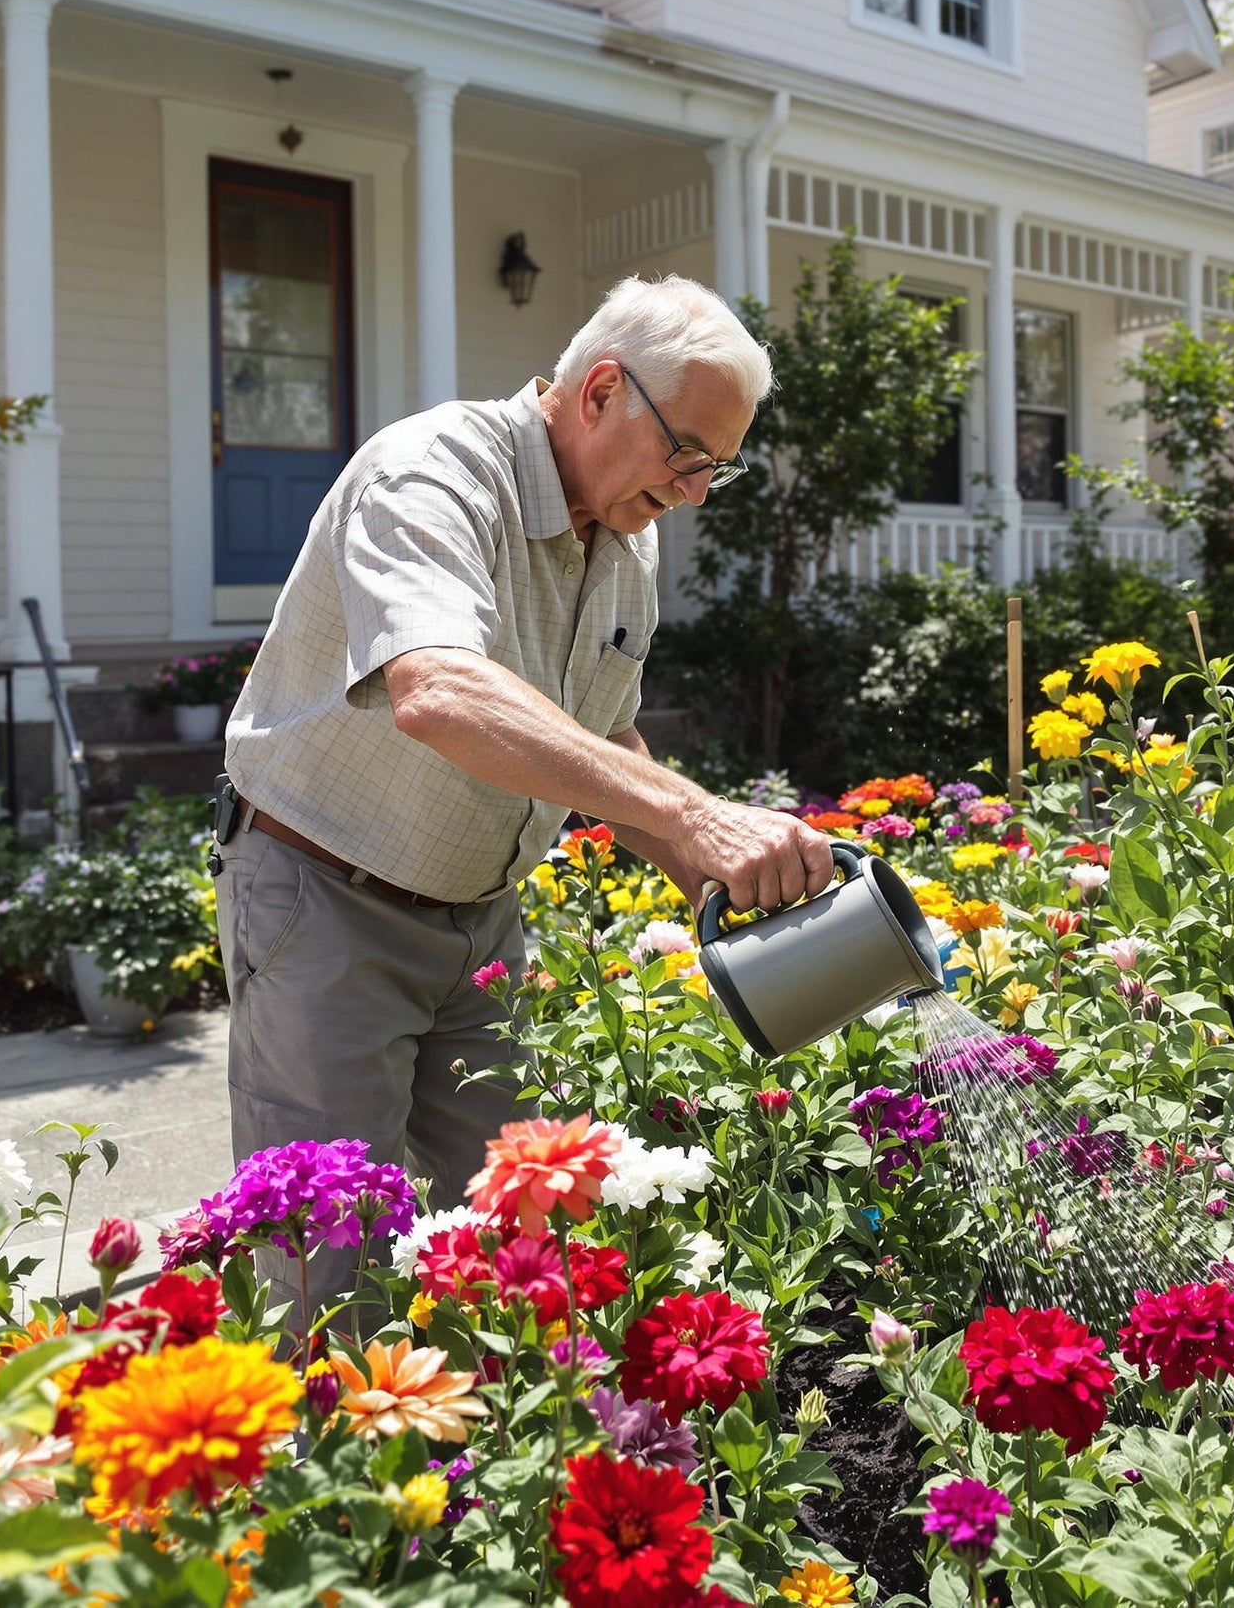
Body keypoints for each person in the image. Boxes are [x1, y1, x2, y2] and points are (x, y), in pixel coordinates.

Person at [212, 273, 834, 1309]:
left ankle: (500, 1473)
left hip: (482, 931)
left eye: (712, 470)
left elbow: (601, 733)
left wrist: (716, 874)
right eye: (686, 454)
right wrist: (696, 814)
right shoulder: (433, 475)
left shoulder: (623, 540)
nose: (691, 492)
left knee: (528, 1250)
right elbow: (437, 688)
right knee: (327, 1276)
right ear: (599, 392)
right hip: (325, 904)